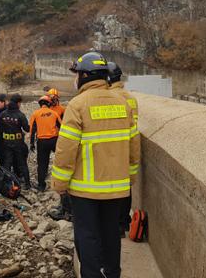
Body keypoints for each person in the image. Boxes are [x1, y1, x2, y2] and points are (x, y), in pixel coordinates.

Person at [51, 52, 140, 278]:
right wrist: (130, 178)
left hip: (85, 190)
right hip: (116, 188)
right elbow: (133, 146)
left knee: (87, 236)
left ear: (84, 76)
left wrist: (60, 183)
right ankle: (112, 273)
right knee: (111, 235)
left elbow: (66, 150)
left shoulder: (77, 105)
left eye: (77, 74)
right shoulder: (124, 103)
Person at [107, 62, 141, 235]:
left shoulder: (108, 97)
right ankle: (123, 224)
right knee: (125, 188)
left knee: (111, 191)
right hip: (127, 146)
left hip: (111, 147)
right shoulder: (130, 98)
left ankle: (114, 225)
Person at [0, 93, 31, 189]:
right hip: (18, 143)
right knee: (22, 163)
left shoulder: (3, 114)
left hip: (6, 143)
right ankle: (27, 184)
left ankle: (5, 183)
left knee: (7, 163)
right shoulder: (20, 115)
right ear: (18, 103)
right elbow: (27, 129)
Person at [29, 95, 61, 191]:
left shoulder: (35, 114)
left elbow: (32, 130)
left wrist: (31, 143)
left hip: (42, 142)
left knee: (42, 163)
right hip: (54, 140)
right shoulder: (54, 113)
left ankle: (41, 185)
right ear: (48, 103)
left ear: (40, 104)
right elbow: (62, 127)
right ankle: (62, 181)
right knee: (61, 159)